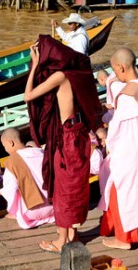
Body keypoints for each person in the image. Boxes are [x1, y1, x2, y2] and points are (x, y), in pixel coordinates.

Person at [24, 35, 101, 253]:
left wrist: (35, 66)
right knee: (76, 184)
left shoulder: (61, 76)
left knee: (64, 186)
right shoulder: (80, 73)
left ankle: (61, 241)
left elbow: (28, 96)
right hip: (81, 134)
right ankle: (71, 235)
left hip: (67, 137)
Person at [99, 47, 138, 250]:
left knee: (122, 192)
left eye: (115, 70)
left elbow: (116, 129)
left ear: (121, 67)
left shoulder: (127, 97)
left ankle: (124, 239)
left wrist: (106, 137)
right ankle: (137, 234)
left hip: (130, 153)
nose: (114, 74)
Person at [0, 127, 55, 229]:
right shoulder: (41, 153)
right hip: (56, 207)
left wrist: (1, 191)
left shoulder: (12, 161)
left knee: (14, 193)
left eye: (4, 146)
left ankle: (15, 215)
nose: (5, 149)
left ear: (11, 143)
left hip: (33, 212)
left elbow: (10, 190)